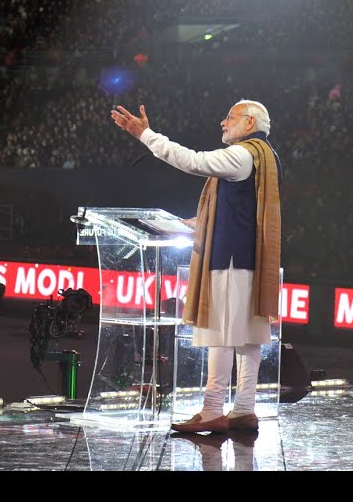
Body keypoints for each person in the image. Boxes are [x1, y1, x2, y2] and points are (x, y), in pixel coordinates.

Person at [111, 99, 282, 435]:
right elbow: (240, 211)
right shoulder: (265, 155)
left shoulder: (243, 154)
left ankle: (212, 410)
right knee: (248, 337)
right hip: (249, 258)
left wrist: (146, 135)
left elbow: (192, 161)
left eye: (229, 117)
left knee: (220, 334)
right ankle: (245, 408)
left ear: (249, 122)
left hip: (229, 260)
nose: (222, 122)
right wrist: (200, 223)